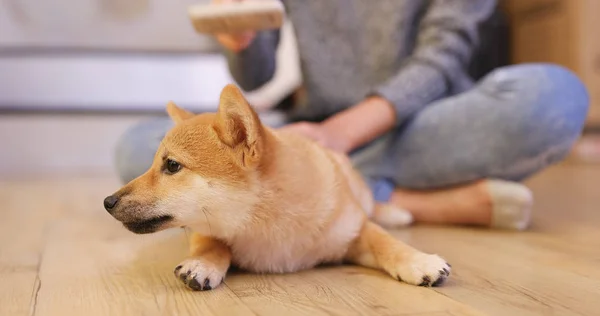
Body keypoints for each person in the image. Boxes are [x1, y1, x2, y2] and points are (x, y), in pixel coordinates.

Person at [114, 0, 589, 230]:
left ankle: (341, 194)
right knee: (140, 145)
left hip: (424, 123)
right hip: (315, 132)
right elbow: (254, 77)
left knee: (555, 97)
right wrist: (244, 40)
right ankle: (406, 203)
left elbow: (445, 56)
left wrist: (337, 134)